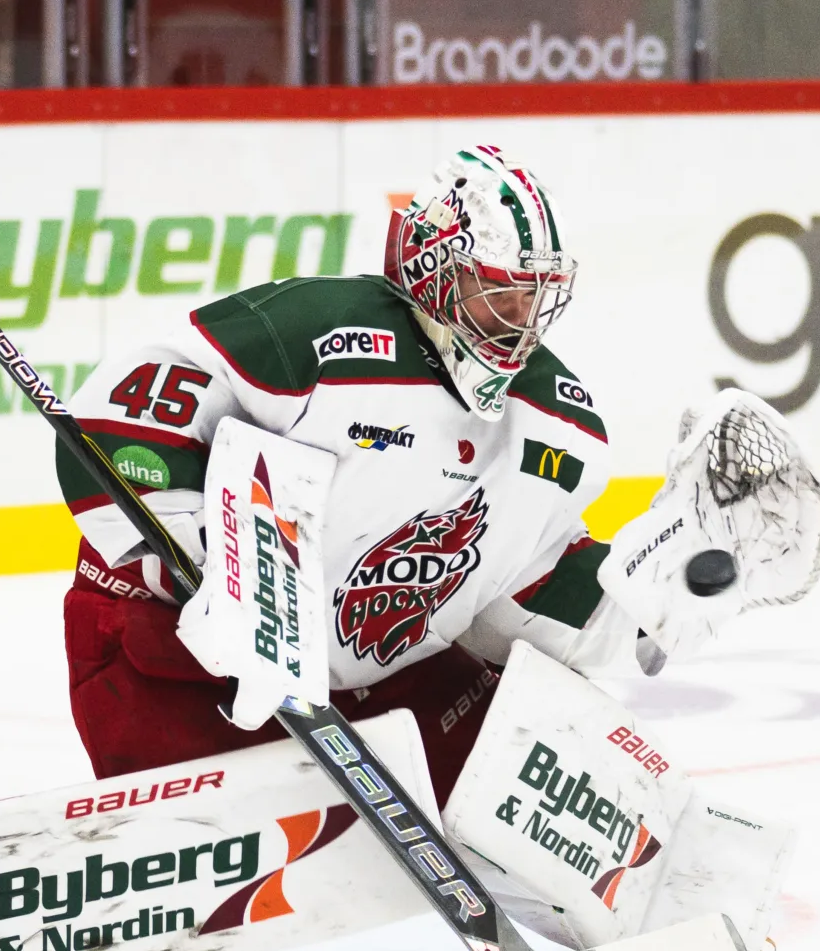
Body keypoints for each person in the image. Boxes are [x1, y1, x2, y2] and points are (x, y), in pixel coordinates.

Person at [57, 144, 667, 807]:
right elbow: (118, 419)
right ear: (438, 271)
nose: (519, 328)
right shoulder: (319, 335)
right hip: (172, 653)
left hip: (361, 679)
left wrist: (660, 600)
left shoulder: (546, 414)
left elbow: (523, 584)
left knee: (546, 776)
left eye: (533, 300)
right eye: (499, 296)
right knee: (229, 887)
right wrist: (219, 564)